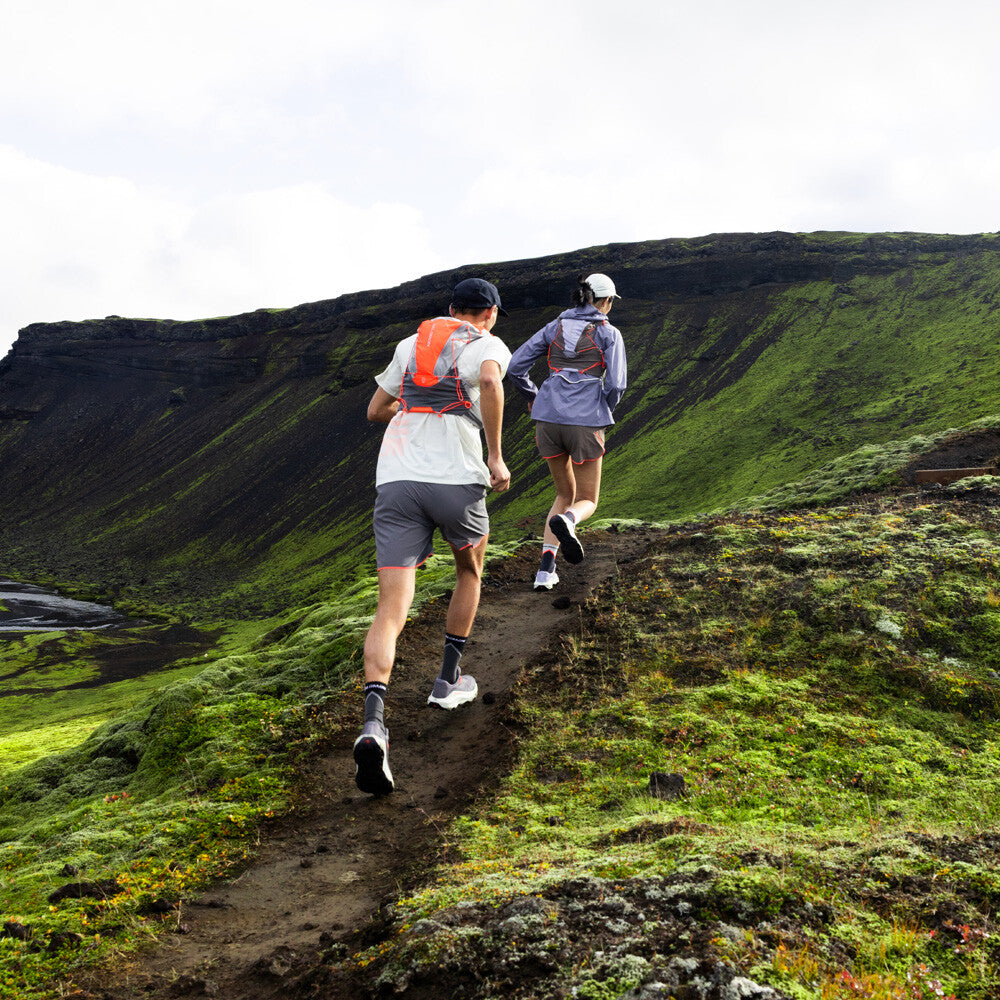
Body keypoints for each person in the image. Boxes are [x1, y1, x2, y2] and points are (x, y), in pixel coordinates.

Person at [353, 277, 512, 796]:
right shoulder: (485, 344)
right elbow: (490, 383)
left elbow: (375, 411)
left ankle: (374, 721)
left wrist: (414, 409)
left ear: (450, 310)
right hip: (457, 480)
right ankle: (448, 680)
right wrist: (494, 455)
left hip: (396, 479)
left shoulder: (408, 345)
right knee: (470, 570)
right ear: (489, 314)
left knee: (391, 607)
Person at [507, 273, 626, 591]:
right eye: (611, 301)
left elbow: (515, 366)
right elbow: (616, 384)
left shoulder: (553, 327)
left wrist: (535, 396)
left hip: (547, 421)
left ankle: (545, 573)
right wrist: (602, 409)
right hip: (585, 421)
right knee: (586, 499)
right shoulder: (608, 333)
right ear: (604, 301)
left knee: (563, 494)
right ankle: (569, 521)